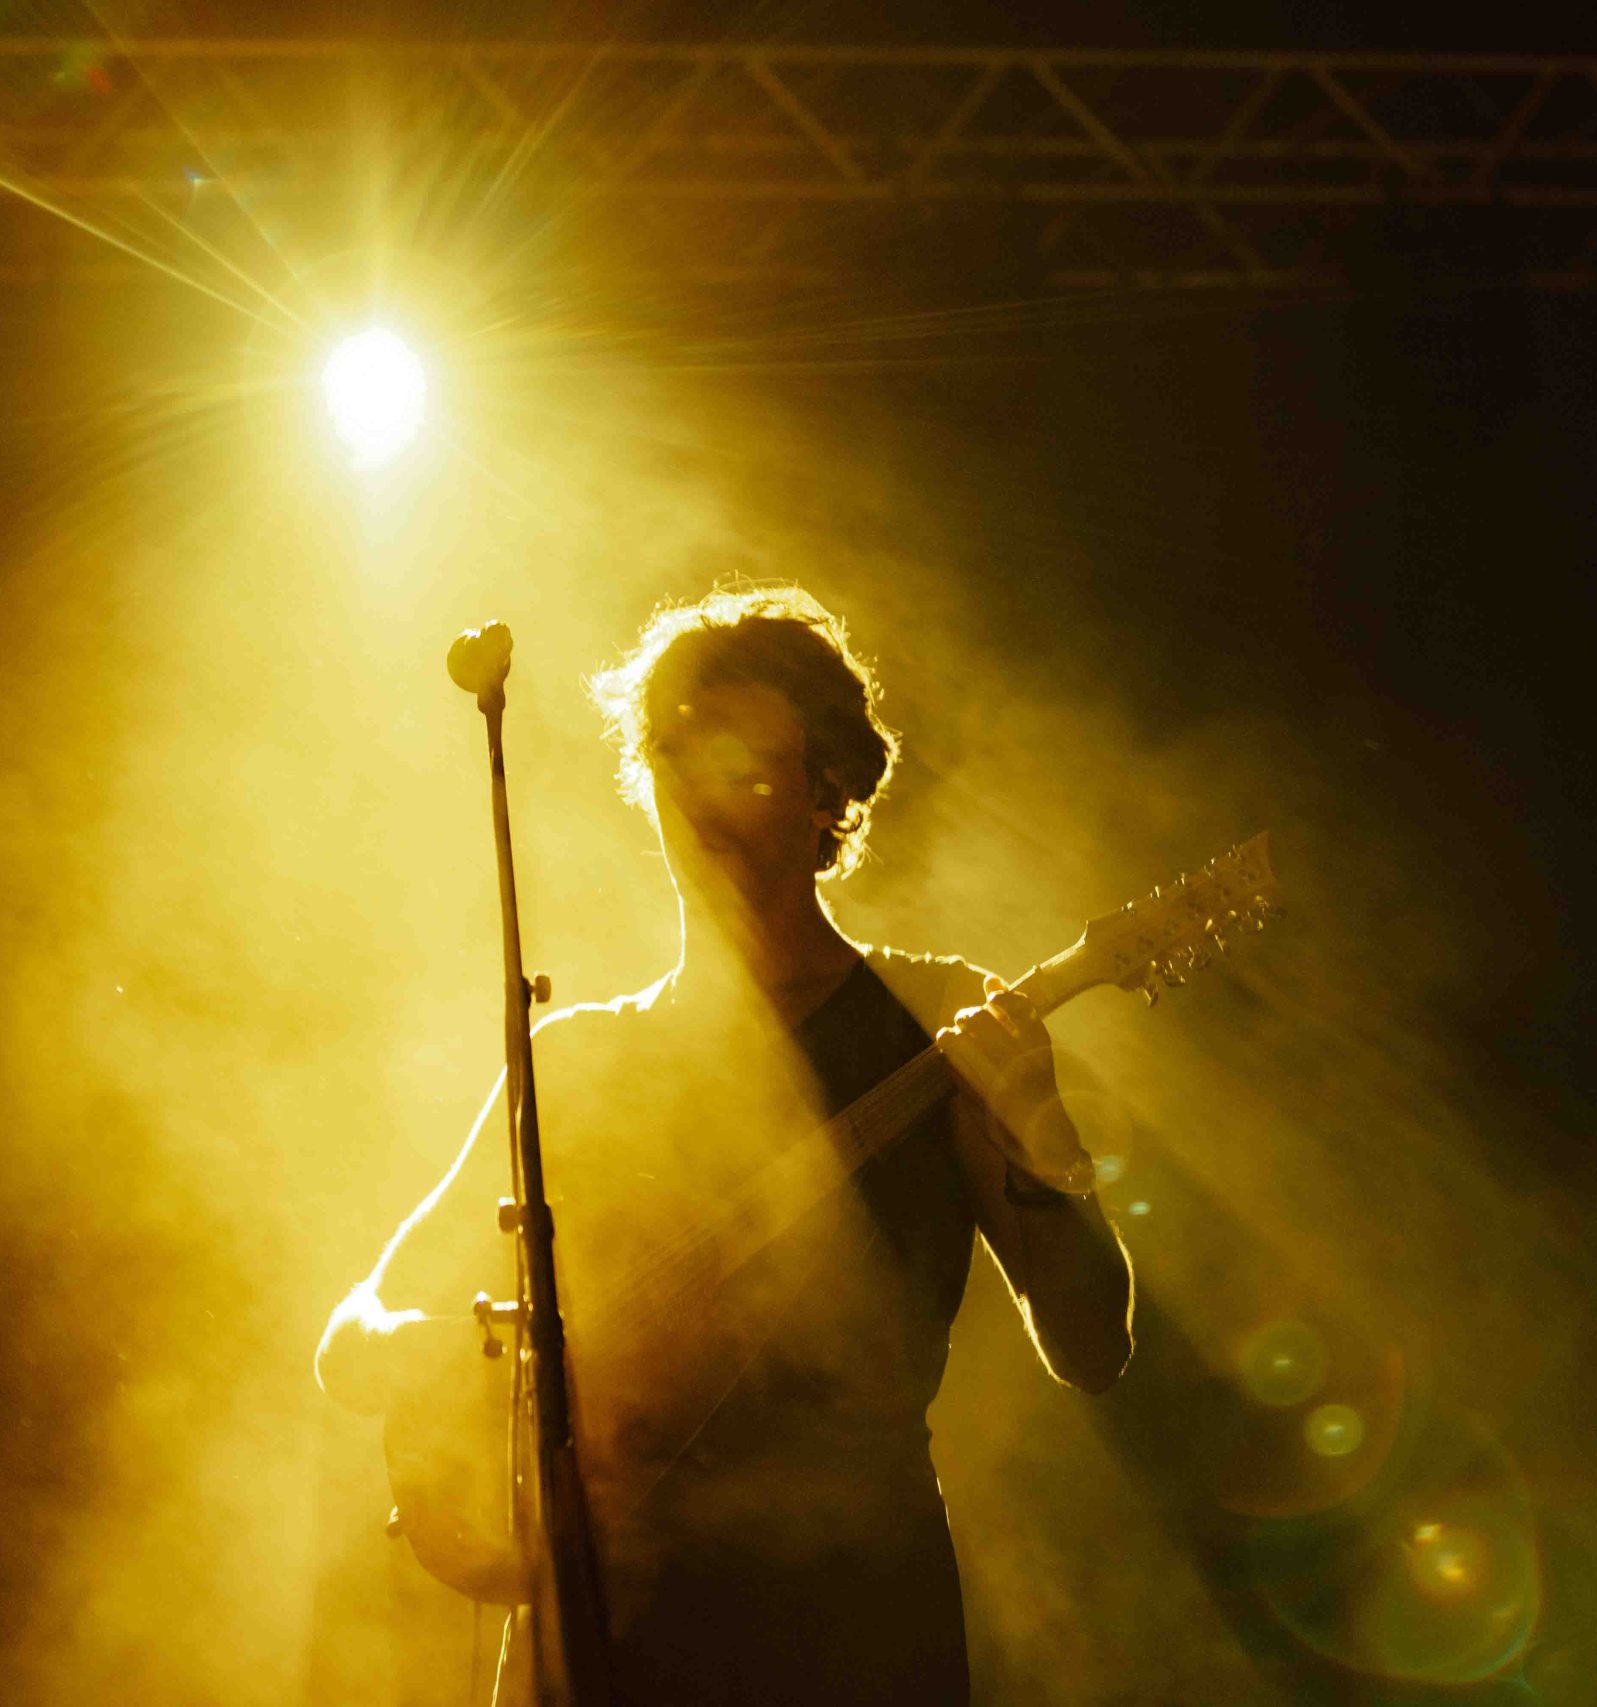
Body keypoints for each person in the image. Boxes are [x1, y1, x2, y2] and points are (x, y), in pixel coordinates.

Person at [317, 584, 1135, 1705]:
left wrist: (1043, 1136)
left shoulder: (936, 1018)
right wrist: (427, 1352)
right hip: (600, 1643)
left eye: (744, 766)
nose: (700, 797)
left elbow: (1091, 1347)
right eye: (673, 755)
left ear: (826, 791)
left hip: (856, 1637)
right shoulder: (579, 1057)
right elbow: (352, 1332)